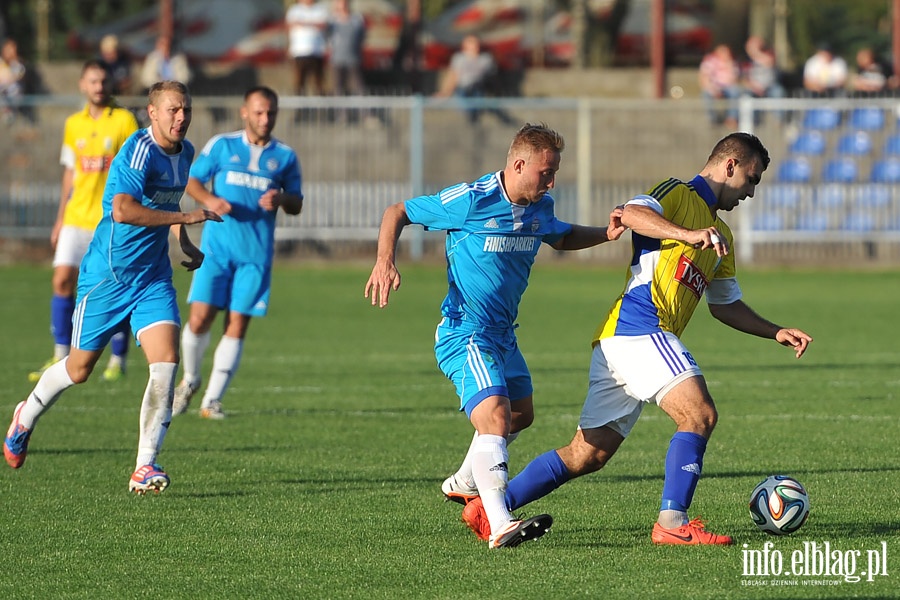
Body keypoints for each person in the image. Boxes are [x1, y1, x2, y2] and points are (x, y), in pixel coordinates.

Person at [457, 132, 813, 546]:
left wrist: (775, 331)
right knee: (699, 414)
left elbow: (725, 304)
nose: (751, 192)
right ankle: (672, 522)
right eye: (750, 179)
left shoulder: (722, 237)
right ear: (729, 165)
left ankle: (487, 506)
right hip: (639, 329)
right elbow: (630, 215)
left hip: (624, 344)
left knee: (587, 454)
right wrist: (687, 234)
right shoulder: (679, 194)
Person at [364, 123, 626, 549]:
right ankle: (500, 522)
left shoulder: (541, 207)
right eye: (545, 172)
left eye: (555, 172)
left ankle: (465, 482)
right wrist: (384, 261)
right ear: (519, 164)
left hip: (504, 335)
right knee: (496, 419)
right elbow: (398, 211)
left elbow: (559, 235)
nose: (551, 181)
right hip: (465, 332)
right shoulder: (471, 200)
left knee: (521, 415)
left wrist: (605, 233)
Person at [3, 81, 222, 494]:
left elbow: (168, 205)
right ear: (152, 113)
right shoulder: (139, 150)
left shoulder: (186, 153)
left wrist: (184, 239)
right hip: (108, 275)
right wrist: (188, 219)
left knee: (166, 360)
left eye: (187, 110)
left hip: (152, 276)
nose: (182, 117)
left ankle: (144, 466)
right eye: (174, 110)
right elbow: (122, 210)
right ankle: (24, 416)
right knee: (78, 370)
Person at [172, 86, 303, 420]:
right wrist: (210, 200)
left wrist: (282, 199)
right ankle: (190, 380)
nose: (265, 119)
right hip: (216, 250)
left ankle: (211, 401)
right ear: (244, 112)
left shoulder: (285, 157)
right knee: (200, 317)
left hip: (255, 255)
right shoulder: (222, 145)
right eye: (258, 112)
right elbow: (191, 180)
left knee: (237, 323)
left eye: (270, 113)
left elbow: (296, 203)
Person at [27, 60, 139, 385]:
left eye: (104, 81)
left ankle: (118, 357)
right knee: (62, 280)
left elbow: (135, 168)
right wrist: (60, 218)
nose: (99, 87)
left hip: (109, 221)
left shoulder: (123, 120)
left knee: (112, 287)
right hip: (76, 218)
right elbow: (70, 173)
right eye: (93, 81)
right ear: (82, 85)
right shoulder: (73, 123)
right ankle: (61, 351)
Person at [435, 34, 514, 125]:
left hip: (478, 88)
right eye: (471, 43)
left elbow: (492, 78)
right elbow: (453, 77)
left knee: (477, 92)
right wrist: (444, 93)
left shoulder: (485, 59)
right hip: (463, 88)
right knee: (464, 97)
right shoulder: (459, 59)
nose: (475, 46)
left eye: (476, 43)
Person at [286, 0, 329, 97]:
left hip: (316, 51)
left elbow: (323, 25)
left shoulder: (320, 9)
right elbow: (291, 25)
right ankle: (299, 109)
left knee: (319, 82)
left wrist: (303, 23)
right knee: (299, 82)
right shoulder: (294, 10)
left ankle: (321, 107)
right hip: (299, 52)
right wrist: (312, 24)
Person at [698, 44, 742, 128]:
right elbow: (704, 77)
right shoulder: (710, 61)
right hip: (714, 87)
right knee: (706, 94)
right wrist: (713, 89)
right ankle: (713, 120)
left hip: (728, 88)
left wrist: (729, 65)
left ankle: (731, 118)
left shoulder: (732, 62)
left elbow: (734, 79)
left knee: (736, 92)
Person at [741, 36, 784, 100]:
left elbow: (769, 61)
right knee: (745, 97)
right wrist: (754, 87)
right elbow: (743, 78)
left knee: (779, 91)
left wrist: (755, 52)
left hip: (770, 86)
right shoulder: (745, 60)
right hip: (753, 88)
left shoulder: (770, 53)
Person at [0, 38, 26, 124]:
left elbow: (14, 77)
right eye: (6, 50)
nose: (8, 53)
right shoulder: (1, 63)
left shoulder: (18, 65)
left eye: (11, 50)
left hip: (13, 98)